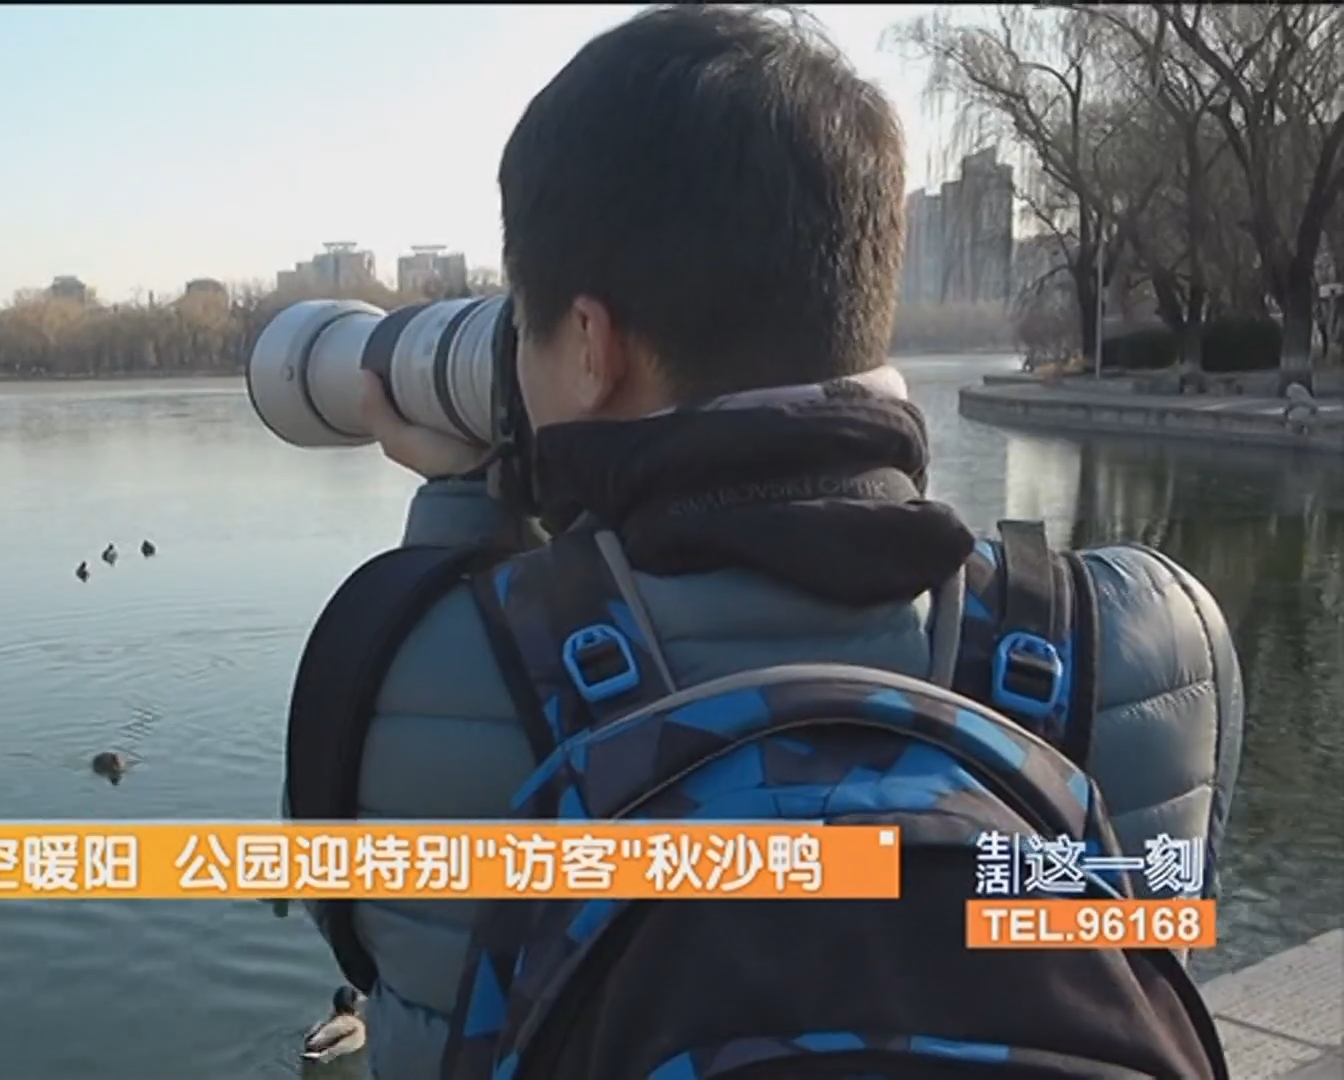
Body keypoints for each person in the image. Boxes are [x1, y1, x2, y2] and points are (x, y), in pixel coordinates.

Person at [285, 7, 1244, 1080]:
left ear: (593, 344)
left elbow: (429, 1011)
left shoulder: (407, 669)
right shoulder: (1141, 643)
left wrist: (472, 497)